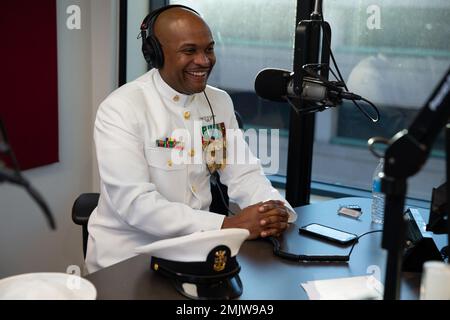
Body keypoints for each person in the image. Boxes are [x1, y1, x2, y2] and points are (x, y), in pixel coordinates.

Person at [86, 4, 297, 273]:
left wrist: (274, 212)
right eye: (189, 51)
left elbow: (243, 174)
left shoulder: (218, 102)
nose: (204, 60)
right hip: (128, 261)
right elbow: (136, 204)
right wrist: (229, 225)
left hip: (201, 253)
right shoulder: (121, 108)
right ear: (156, 54)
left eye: (208, 49)